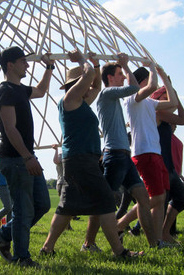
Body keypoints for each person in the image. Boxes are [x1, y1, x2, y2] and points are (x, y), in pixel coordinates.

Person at [40, 49, 143, 258]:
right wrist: (83, 61)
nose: (90, 87)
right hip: (80, 159)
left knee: (67, 207)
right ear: (76, 84)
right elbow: (89, 79)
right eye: (83, 82)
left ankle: (47, 248)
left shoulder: (81, 102)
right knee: (105, 200)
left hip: (79, 159)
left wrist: (95, 65)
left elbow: (95, 84)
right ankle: (119, 252)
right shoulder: (70, 99)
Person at [0, 46, 52, 268]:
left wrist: (49, 67)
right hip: (15, 159)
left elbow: (42, 91)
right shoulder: (6, 91)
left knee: (42, 203)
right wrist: (27, 157)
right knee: (23, 209)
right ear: (10, 65)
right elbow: (9, 128)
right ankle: (21, 257)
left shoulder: (21, 90)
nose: (27, 65)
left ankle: (3, 235)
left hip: (25, 157)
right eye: (23, 61)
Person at [87, 53, 159, 249]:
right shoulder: (106, 94)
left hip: (124, 156)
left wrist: (125, 67)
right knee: (105, 202)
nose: (123, 77)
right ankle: (89, 242)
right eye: (119, 74)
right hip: (114, 155)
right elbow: (135, 88)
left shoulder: (112, 98)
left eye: (122, 73)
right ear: (110, 77)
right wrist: (126, 66)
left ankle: (154, 243)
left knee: (143, 198)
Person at [118, 63, 177, 243]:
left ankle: (158, 240)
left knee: (160, 199)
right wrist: (154, 69)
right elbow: (152, 86)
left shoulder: (150, 102)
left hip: (154, 152)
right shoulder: (132, 99)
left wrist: (165, 77)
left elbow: (173, 103)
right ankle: (119, 225)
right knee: (156, 197)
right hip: (144, 152)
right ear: (143, 81)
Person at [150, 87, 184, 243]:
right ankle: (123, 223)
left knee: (180, 198)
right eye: (166, 97)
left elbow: (183, 119)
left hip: (169, 167)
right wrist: (174, 99)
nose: (169, 100)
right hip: (159, 165)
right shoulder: (158, 113)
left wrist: (176, 99)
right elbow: (182, 120)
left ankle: (164, 233)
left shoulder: (164, 115)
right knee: (155, 202)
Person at [51, 144, 74, 231]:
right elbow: (56, 161)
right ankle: (64, 226)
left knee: (67, 204)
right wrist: (56, 150)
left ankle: (67, 225)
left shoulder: (68, 157)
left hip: (67, 183)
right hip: (61, 183)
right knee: (64, 205)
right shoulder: (60, 157)